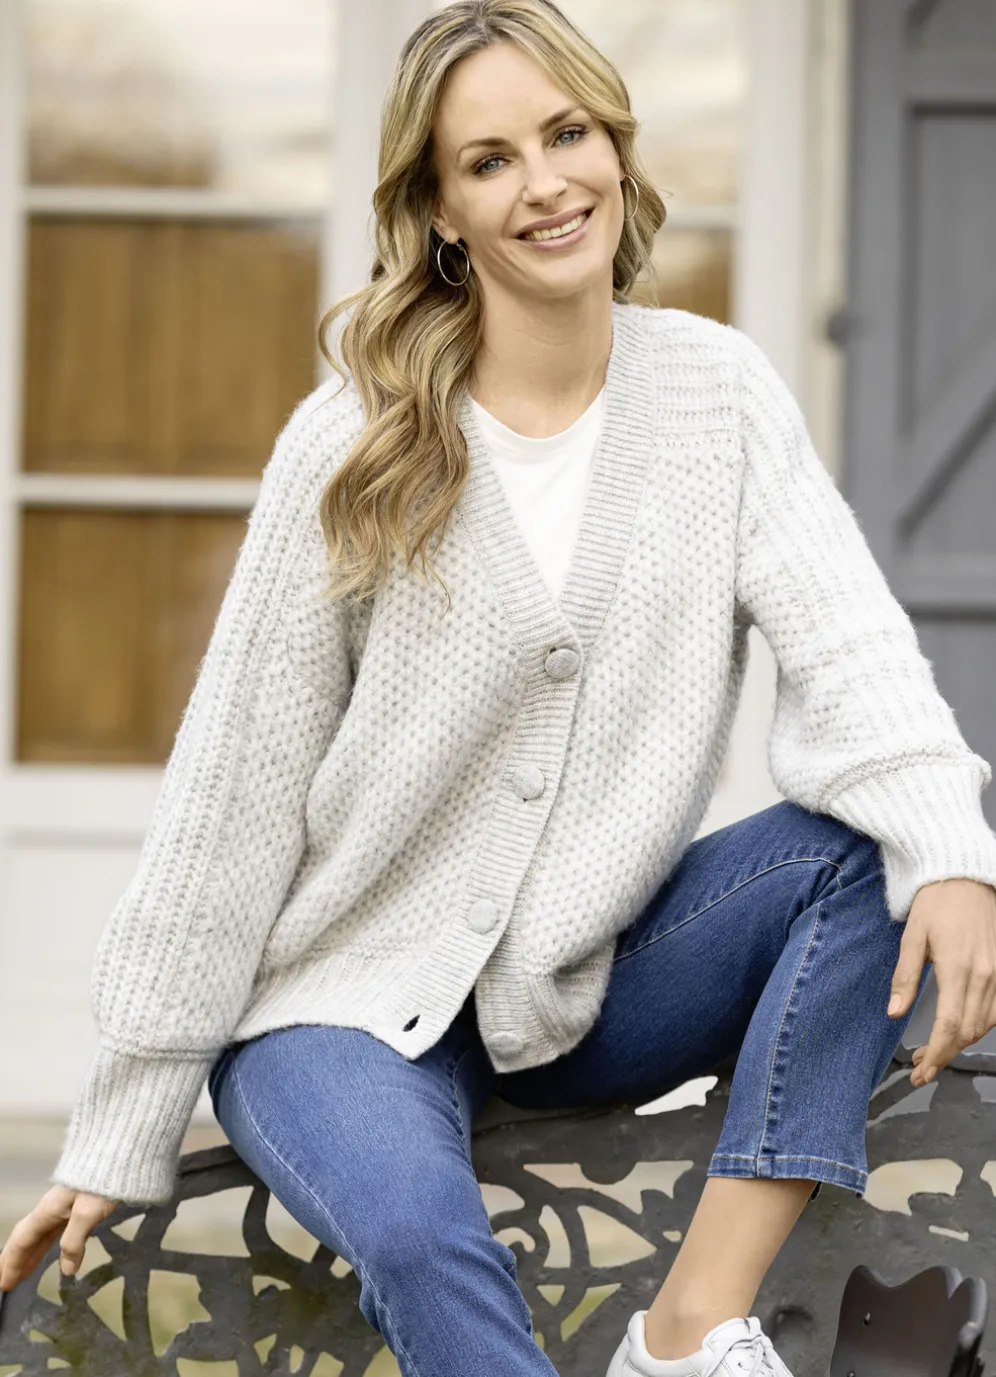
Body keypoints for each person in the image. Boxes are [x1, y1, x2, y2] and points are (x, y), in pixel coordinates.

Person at [4, 3, 996, 1375]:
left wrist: (951, 853)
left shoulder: (716, 395)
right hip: (337, 1012)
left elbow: (854, 652)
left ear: (616, 149)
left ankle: (688, 1335)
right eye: (489, 161)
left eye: (566, 133)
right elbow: (230, 802)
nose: (544, 184)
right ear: (441, 213)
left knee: (863, 852)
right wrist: (122, 1119)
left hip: (588, 984)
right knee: (422, 1239)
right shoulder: (353, 446)